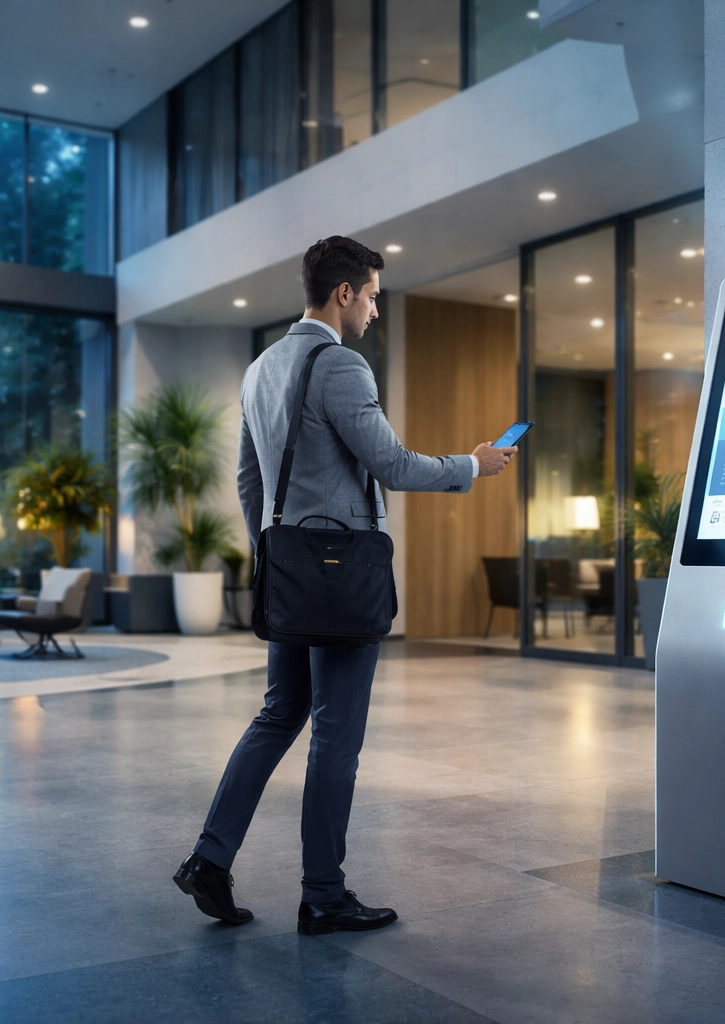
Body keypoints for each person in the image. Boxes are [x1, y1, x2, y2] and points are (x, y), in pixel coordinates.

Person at [173, 235, 516, 936]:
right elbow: (391, 463)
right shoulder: (342, 366)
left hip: (290, 575)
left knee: (277, 715)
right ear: (344, 294)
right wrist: (472, 464)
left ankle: (210, 858)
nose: (375, 311)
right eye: (373, 296)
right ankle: (324, 894)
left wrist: (274, 551)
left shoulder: (261, 368)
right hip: (339, 579)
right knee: (335, 735)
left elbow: (249, 479)